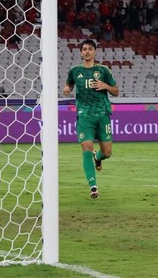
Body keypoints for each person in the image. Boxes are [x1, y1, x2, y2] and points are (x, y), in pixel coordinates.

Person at [63, 39, 119, 199]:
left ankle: (98, 157)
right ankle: (93, 186)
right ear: (81, 52)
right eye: (84, 49)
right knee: (86, 147)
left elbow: (116, 91)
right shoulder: (74, 71)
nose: (87, 51)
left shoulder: (103, 71)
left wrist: (105, 86)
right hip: (84, 116)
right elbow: (69, 85)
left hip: (102, 115)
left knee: (107, 153)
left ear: (95, 52)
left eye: (90, 49)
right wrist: (67, 89)